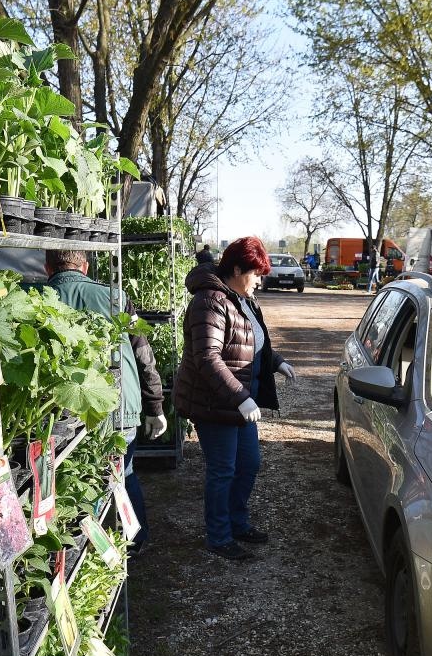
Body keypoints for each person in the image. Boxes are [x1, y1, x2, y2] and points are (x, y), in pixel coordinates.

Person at [173, 237, 296, 560]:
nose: (260, 280)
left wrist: (276, 361)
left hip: (239, 404)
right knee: (223, 470)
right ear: (237, 268)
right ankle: (219, 535)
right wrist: (241, 396)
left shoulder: (243, 299)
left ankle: (238, 522)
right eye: (255, 273)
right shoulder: (209, 301)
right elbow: (207, 357)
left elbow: (252, 342)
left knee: (249, 464)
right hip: (214, 404)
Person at [44, 250, 167, 544]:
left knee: (74, 479)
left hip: (61, 411)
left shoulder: (37, 296)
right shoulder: (115, 297)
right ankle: (134, 542)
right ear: (85, 267)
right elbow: (142, 353)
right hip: (118, 404)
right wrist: (155, 405)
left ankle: (86, 546)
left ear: (46, 266)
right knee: (122, 473)